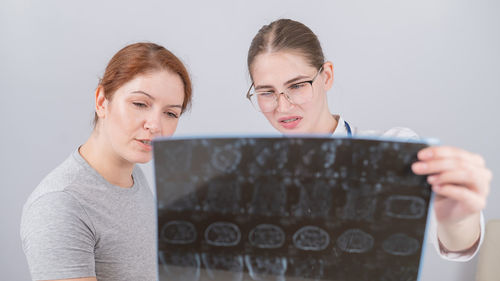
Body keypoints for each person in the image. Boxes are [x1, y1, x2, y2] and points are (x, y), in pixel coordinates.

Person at [245, 18, 492, 261]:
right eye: (267, 92)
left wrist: (458, 221)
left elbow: (456, 243)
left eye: (297, 85)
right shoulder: (247, 178)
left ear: (327, 76)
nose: (283, 106)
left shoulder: (393, 150)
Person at [20, 42, 192, 281]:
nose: (155, 125)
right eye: (140, 104)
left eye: (171, 113)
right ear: (102, 101)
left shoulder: (133, 177)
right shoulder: (59, 205)